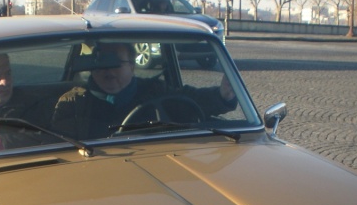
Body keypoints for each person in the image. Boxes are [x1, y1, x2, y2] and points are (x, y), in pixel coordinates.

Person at [52, 42, 237, 140]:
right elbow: (63, 148)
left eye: (115, 63)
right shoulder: (72, 102)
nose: (107, 71)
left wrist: (222, 95)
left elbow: (190, 99)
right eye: (101, 63)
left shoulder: (155, 90)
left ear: (132, 66)